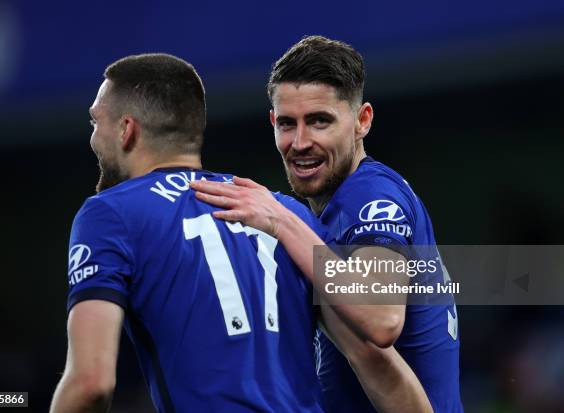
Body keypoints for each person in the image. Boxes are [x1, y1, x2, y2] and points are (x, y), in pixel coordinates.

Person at [49, 52, 431, 413]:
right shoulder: (278, 210)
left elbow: (91, 383)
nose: (92, 138)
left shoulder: (110, 213)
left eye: (95, 123)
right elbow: (370, 356)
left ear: (126, 131)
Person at [191, 35, 463, 412]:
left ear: (362, 121)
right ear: (272, 122)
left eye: (319, 121)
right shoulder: (329, 211)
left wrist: (282, 223)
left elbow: (381, 316)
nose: (300, 142)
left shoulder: (372, 199)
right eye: (287, 124)